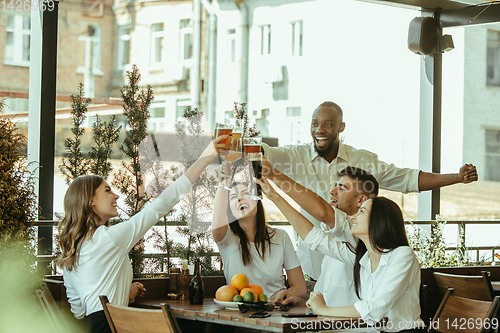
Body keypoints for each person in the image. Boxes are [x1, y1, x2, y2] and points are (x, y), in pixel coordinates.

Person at [261, 100, 478, 281]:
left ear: (341, 127)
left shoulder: (362, 160)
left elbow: (406, 178)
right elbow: (266, 153)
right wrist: (241, 143)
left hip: (360, 261)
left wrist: (457, 177)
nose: (319, 130)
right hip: (318, 267)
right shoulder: (295, 156)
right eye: (315, 123)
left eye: (327, 124)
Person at [56, 135, 229, 333]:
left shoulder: (72, 250)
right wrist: (205, 158)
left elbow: (79, 310)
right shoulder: (108, 238)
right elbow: (160, 206)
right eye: (107, 191)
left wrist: (121, 295)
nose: (116, 196)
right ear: (91, 201)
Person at [257, 177, 425, 332]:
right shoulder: (362, 259)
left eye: (362, 212)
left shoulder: (403, 255)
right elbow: (314, 237)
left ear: (379, 221)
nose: (353, 218)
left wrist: (324, 310)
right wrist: (274, 196)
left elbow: (375, 309)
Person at [270, 164, 379, 307]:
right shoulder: (340, 240)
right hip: (328, 326)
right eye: (335, 186)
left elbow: (323, 213)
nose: (332, 191)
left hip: (352, 328)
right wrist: (302, 303)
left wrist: (272, 175)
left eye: (341, 188)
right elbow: (313, 237)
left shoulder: (361, 235)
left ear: (361, 200)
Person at [212, 168, 307, 300]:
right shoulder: (226, 236)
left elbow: (300, 288)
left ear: (257, 200)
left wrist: (283, 296)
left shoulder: (281, 237)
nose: (240, 198)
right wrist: (224, 181)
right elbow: (217, 218)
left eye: (245, 193)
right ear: (231, 212)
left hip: (276, 312)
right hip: (240, 313)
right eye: (233, 197)